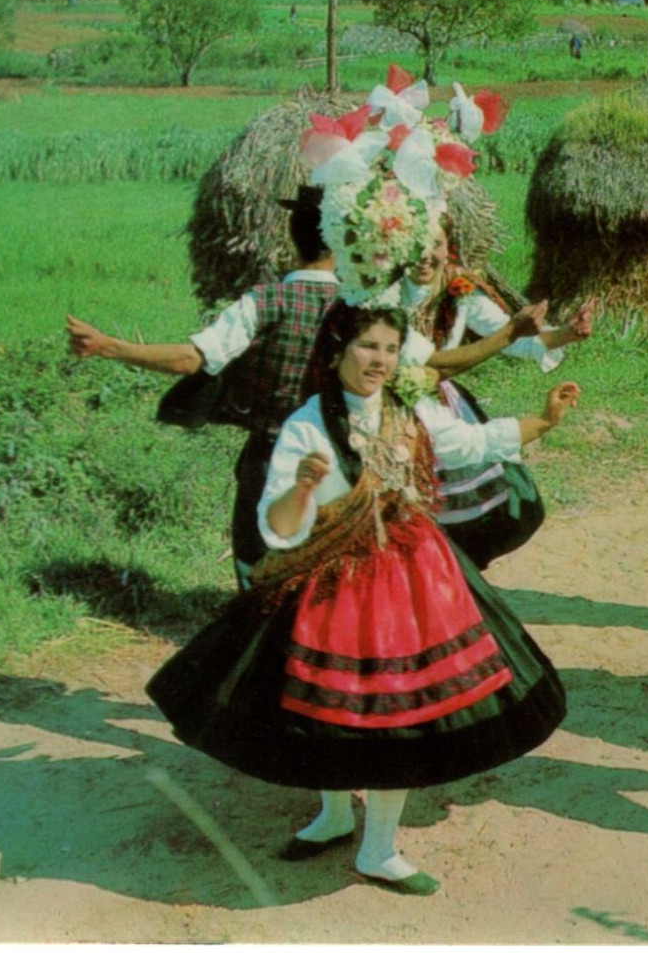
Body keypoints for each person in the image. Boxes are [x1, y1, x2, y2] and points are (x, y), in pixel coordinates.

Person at [145, 303, 580, 895]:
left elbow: (467, 444)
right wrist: (302, 488)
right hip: (336, 581)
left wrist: (546, 420)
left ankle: (379, 849)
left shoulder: (408, 406)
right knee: (332, 709)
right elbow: (280, 526)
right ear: (336, 351)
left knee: (397, 715)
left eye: (388, 349)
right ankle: (333, 814)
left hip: (415, 580)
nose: (379, 360)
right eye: (367, 347)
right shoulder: (306, 424)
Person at [65, 185, 338, 593]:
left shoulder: (265, 301)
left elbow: (191, 359)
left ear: (292, 236)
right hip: (339, 462)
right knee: (330, 576)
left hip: (271, 457)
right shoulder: (360, 307)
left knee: (259, 571)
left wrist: (110, 346)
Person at [398, 220, 597, 567]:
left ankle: (454, 577)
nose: (426, 255)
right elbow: (432, 362)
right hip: (396, 404)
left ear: (449, 246)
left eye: (436, 244)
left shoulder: (458, 287)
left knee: (497, 506)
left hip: (439, 403)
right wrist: (510, 333)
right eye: (415, 243)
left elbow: (509, 335)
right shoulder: (380, 292)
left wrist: (565, 334)